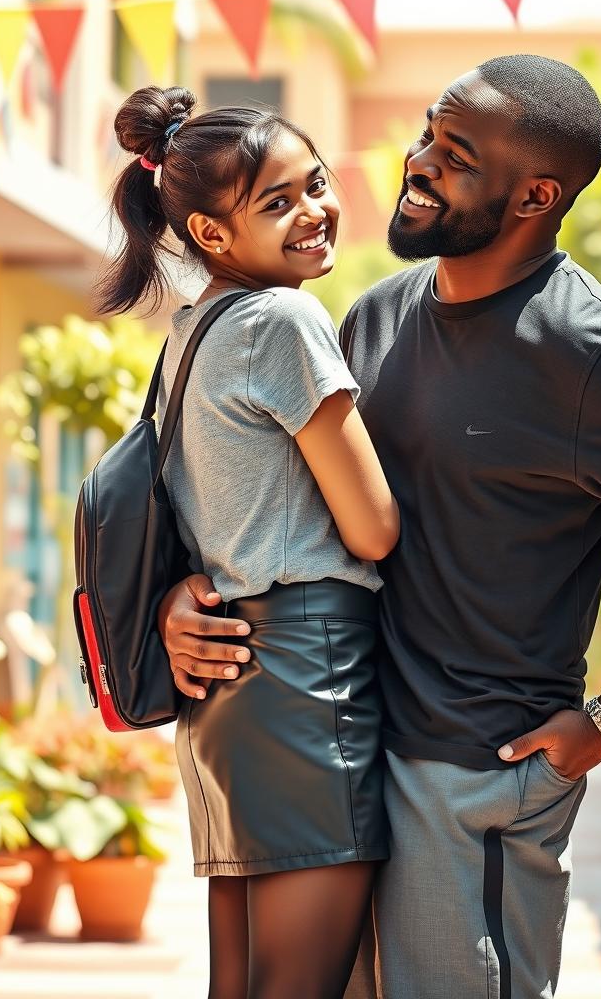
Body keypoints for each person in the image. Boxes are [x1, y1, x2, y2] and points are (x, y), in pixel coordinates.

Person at [159, 55, 601, 998]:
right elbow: (262, 496)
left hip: (472, 772)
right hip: (342, 750)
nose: (419, 163)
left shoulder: (596, 353)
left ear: (534, 194)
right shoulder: (374, 316)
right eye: (426, 136)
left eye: (456, 154)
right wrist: (180, 596)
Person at [95, 85, 400, 999]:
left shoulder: (190, 335)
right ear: (212, 236)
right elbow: (374, 528)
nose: (312, 212)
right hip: (310, 674)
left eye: (312, 184)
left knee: (244, 985)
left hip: (227, 693)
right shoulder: (285, 321)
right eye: (277, 203)